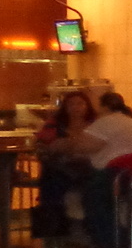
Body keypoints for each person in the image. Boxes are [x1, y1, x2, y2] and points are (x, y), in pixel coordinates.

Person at [71, 92, 132, 248]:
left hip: (123, 175)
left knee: (92, 194)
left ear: (103, 107)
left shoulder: (106, 122)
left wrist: (63, 144)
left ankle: (109, 244)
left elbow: (83, 147)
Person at [33, 91, 96, 238]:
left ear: (87, 106)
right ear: (65, 107)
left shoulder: (95, 124)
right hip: (61, 165)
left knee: (54, 177)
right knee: (51, 176)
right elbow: (41, 145)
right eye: (71, 104)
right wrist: (55, 147)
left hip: (87, 165)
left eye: (80, 103)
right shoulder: (54, 125)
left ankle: (59, 229)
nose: (76, 107)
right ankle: (53, 229)